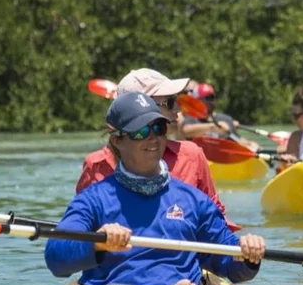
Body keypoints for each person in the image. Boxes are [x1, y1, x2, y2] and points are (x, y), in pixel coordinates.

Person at [46, 91, 265, 285]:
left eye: (158, 128)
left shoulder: (194, 201)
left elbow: (229, 263)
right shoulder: (93, 200)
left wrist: (247, 254)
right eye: (141, 131)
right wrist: (96, 242)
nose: (153, 137)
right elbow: (56, 256)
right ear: (117, 140)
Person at [76, 68, 239, 229]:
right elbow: (82, 228)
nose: (178, 109)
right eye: (169, 103)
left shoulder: (192, 155)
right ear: (141, 107)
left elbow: (216, 218)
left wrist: (241, 246)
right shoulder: (97, 164)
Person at [179, 82, 260, 151]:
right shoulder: (191, 118)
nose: (210, 101)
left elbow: (236, 139)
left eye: (212, 97)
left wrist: (249, 144)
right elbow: (186, 132)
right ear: (197, 101)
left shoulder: (225, 119)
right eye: (206, 98)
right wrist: (213, 126)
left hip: (223, 162)